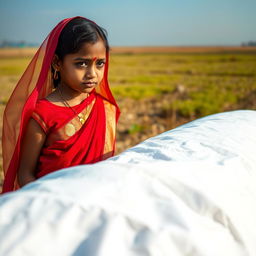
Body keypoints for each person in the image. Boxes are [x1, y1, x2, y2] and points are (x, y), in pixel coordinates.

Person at [1, 16, 120, 193]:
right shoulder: (43, 114)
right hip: (54, 206)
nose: (92, 74)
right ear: (57, 62)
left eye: (100, 64)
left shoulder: (105, 108)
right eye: (81, 64)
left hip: (96, 202)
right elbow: (25, 174)